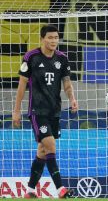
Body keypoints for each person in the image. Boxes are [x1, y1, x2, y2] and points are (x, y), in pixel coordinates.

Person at [12, 25, 78, 198]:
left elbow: (66, 82)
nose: (54, 41)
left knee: (42, 150)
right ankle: (60, 189)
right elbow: (22, 84)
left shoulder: (62, 58)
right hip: (37, 110)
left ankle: (30, 190)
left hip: (54, 111)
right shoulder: (31, 57)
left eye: (56, 37)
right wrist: (16, 110)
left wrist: (72, 99)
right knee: (50, 145)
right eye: (50, 37)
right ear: (42, 39)